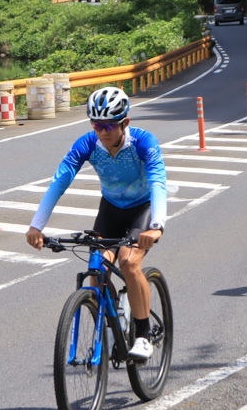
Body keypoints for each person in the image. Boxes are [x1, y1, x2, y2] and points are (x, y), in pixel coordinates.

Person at [26, 86, 167, 361]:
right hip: (111, 209)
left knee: (128, 262)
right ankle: (116, 325)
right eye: (96, 125)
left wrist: (157, 226)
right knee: (97, 269)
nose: (102, 131)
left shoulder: (143, 142)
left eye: (109, 125)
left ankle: (143, 334)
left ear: (125, 122)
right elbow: (60, 181)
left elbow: (159, 183)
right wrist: (36, 226)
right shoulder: (88, 144)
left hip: (143, 209)